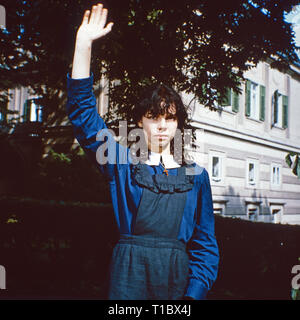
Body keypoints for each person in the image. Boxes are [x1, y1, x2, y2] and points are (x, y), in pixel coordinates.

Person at [66, 3, 219, 300]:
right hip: (128, 278)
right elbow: (84, 116)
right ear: (140, 121)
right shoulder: (122, 164)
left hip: (178, 283)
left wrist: (193, 295)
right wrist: (83, 45)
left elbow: (205, 245)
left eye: (170, 118)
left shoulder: (196, 177)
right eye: (153, 117)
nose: (162, 126)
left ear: (178, 124)